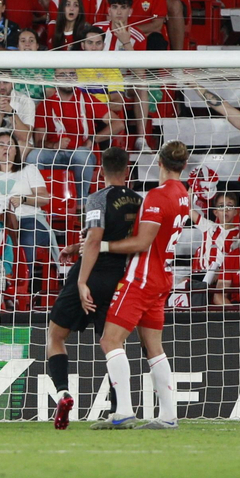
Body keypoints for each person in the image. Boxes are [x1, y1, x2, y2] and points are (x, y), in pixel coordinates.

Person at [95, 141, 192, 430]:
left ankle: (123, 410)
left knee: (110, 340)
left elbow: (141, 242)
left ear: (159, 163)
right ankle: (168, 415)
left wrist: (98, 246)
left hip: (142, 278)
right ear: (183, 165)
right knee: (153, 347)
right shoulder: (183, 195)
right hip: (163, 277)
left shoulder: (156, 196)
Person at [46, 146, 139, 428]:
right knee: (113, 345)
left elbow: (96, 240)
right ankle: (117, 408)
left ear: (100, 170)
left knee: (55, 336)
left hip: (89, 273)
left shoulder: (97, 198)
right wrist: (78, 246)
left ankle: (62, 391)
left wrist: (82, 280)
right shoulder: (139, 201)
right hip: (118, 278)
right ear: (127, 170)